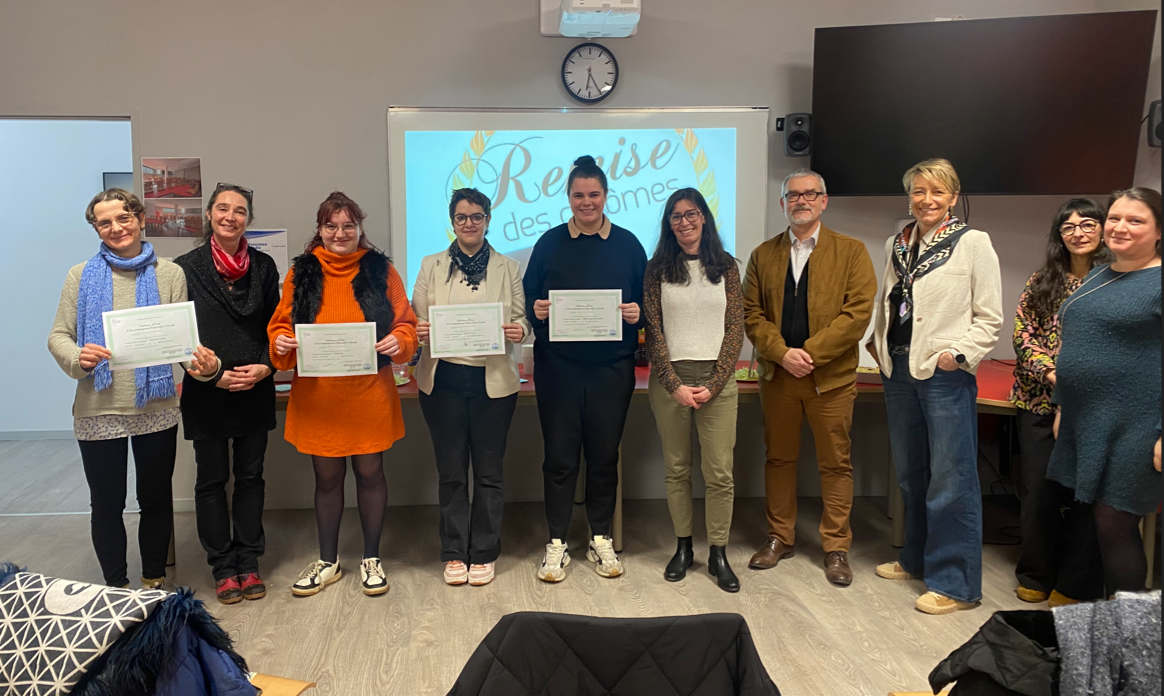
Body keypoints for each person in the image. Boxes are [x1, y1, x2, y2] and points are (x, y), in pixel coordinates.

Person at [48, 188, 218, 589]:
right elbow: (59, 335)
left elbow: (181, 345)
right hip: (98, 407)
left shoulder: (170, 274)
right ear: (96, 229)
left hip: (155, 407)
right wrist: (78, 357)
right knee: (106, 505)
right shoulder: (79, 275)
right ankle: (117, 588)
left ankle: (153, 582)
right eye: (104, 222)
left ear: (140, 219)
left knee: (156, 500)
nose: (115, 227)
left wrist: (205, 367)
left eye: (123, 218)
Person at [867, 158, 1002, 615]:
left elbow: (989, 318)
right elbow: (891, 300)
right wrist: (876, 342)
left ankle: (956, 585)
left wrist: (956, 355)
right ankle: (917, 558)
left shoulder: (972, 242)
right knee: (912, 474)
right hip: (898, 369)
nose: (927, 200)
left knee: (951, 479)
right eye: (919, 191)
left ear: (953, 197)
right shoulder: (897, 243)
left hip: (943, 373)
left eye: (937, 192)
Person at [267, 192, 419, 597]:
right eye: (331, 226)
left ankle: (371, 558)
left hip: (368, 394)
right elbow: (280, 325)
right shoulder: (300, 273)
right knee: (327, 478)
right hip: (320, 397)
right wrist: (280, 342)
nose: (340, 233)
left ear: (359, 228)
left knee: (371, 474)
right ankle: (328, 561)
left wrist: (400, 341)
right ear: (319, 230)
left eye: (348, 225)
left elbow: (406, 324)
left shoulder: (381, 270)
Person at [742, 169, 877, 587]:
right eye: (793, 195)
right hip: (778, 376)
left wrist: (811, 355)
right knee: (779, 459)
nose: (801, 200)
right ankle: (779, 538)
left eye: (810, 194)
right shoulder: (762, 255)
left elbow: (857, 314)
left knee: (835, 463)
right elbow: (751, 314)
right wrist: (783, 354)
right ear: (782, 203)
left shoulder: (851, 251)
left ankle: (836, 548)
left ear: (823, 201)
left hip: (830, 380)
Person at [523, 155, 647, 582]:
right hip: (558, 369)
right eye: (579, 195)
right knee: (559, 458)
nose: (586, 202)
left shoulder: (628, 244)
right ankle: (557, 541)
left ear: (606, 196)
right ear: (568, 197)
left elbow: (647, 302)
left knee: (604, 457)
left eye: (594, 194)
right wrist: (538, 310)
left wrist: (638, 314)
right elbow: (529, 299)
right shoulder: (549, 243)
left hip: (612, 370)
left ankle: (599, 537)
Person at [412, 188, 531, 587]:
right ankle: (453, 551)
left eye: (477, 216)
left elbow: (522, 319)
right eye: (462, 217)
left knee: (489, 472)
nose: (469, 223)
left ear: (488, 220)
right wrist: (419, 330)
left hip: (492, 381)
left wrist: (520, 330)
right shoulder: (431, 265)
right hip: (443, 379)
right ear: (452, 221)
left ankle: (483, 551)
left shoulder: (508, 267)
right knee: (451, 472)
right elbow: (415, 319)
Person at [1047, 187, 1162, 594]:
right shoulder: (1099, 274)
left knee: (1116, 523)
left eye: (1135, 220)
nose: (1119, 227)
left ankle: (1136, 628)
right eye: (1114, 218)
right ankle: (1116, 619)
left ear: (1159, 231)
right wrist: (1063, 407)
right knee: (1097, 519)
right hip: (1089, 420)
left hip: (1138, 425)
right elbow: (1077, 343)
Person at [174, 183, 280, 605]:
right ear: (209, 215)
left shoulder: (265, 266)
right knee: (212, 480)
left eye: (239, 211)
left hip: (255, 385)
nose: (230, 216)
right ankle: (222, 567)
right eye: (222, 208)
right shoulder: (185, 268)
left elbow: (276, 326)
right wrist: (211, 375)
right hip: (207, 390)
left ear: (248, 219)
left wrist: (268, 366)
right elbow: (177, 335)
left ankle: (249, 562)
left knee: (251, 478)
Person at [1009, 199, 1110, 607]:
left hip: (1093, 405)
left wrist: (1074, 387)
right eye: (1068, 227)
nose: (1078, 233)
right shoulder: (1042, 280)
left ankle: (1074, 584)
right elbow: (1023, 333)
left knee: (1086, 495)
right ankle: (1036, 574)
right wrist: (1052, 375)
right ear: (1059, 236)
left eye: (1087, 225)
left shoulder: (1115, 280)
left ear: (1103, 230)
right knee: (1039, 491)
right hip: (1038, 399)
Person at [644, 187, 744, 593]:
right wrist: (674, 385)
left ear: (704, 217)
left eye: (691, 214)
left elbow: (735, 329)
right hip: (670, 379)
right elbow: (653, 331)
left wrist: (713, 384)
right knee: (677, 469)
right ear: (669, 224)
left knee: (719, 472)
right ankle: (683, 547)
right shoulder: (656, 270)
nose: (684, 222)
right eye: (676, 216)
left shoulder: (728, 267)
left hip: (717, 379)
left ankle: (718, 553)